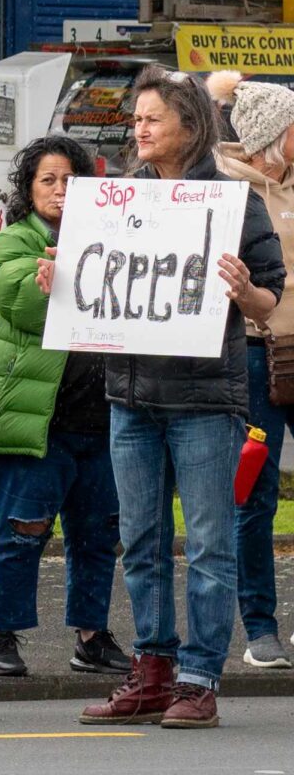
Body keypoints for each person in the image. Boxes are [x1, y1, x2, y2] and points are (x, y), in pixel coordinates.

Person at [80, 66, 284, 729]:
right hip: (130, 397)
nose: (137, 127)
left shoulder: (233, 201)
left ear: (189, 127)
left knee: (207, 542)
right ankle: (152, 669)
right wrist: (64, 278)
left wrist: (245, 291)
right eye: (136, 118)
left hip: (203, 401)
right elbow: (95, 283)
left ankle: (199, 678)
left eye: (151, 118)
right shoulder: (117, 198)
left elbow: (269, 296)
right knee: (139, 539)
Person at [0, 134, 126, 679]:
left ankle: (91, 635)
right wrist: (52, 278)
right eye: (48, 181)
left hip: (102, 420)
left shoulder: (114, 244)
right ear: (28, 190)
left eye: (70, 180)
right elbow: (26, 301)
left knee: (99, 532)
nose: (60, 190)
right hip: (34, 420)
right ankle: (1, 636)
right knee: (21, 531)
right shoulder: (12, 243)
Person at [215, 71, 294, 671]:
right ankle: (260, 626)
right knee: (253, 493)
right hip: (253, 358)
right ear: (273, 137)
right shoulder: (226, 194)